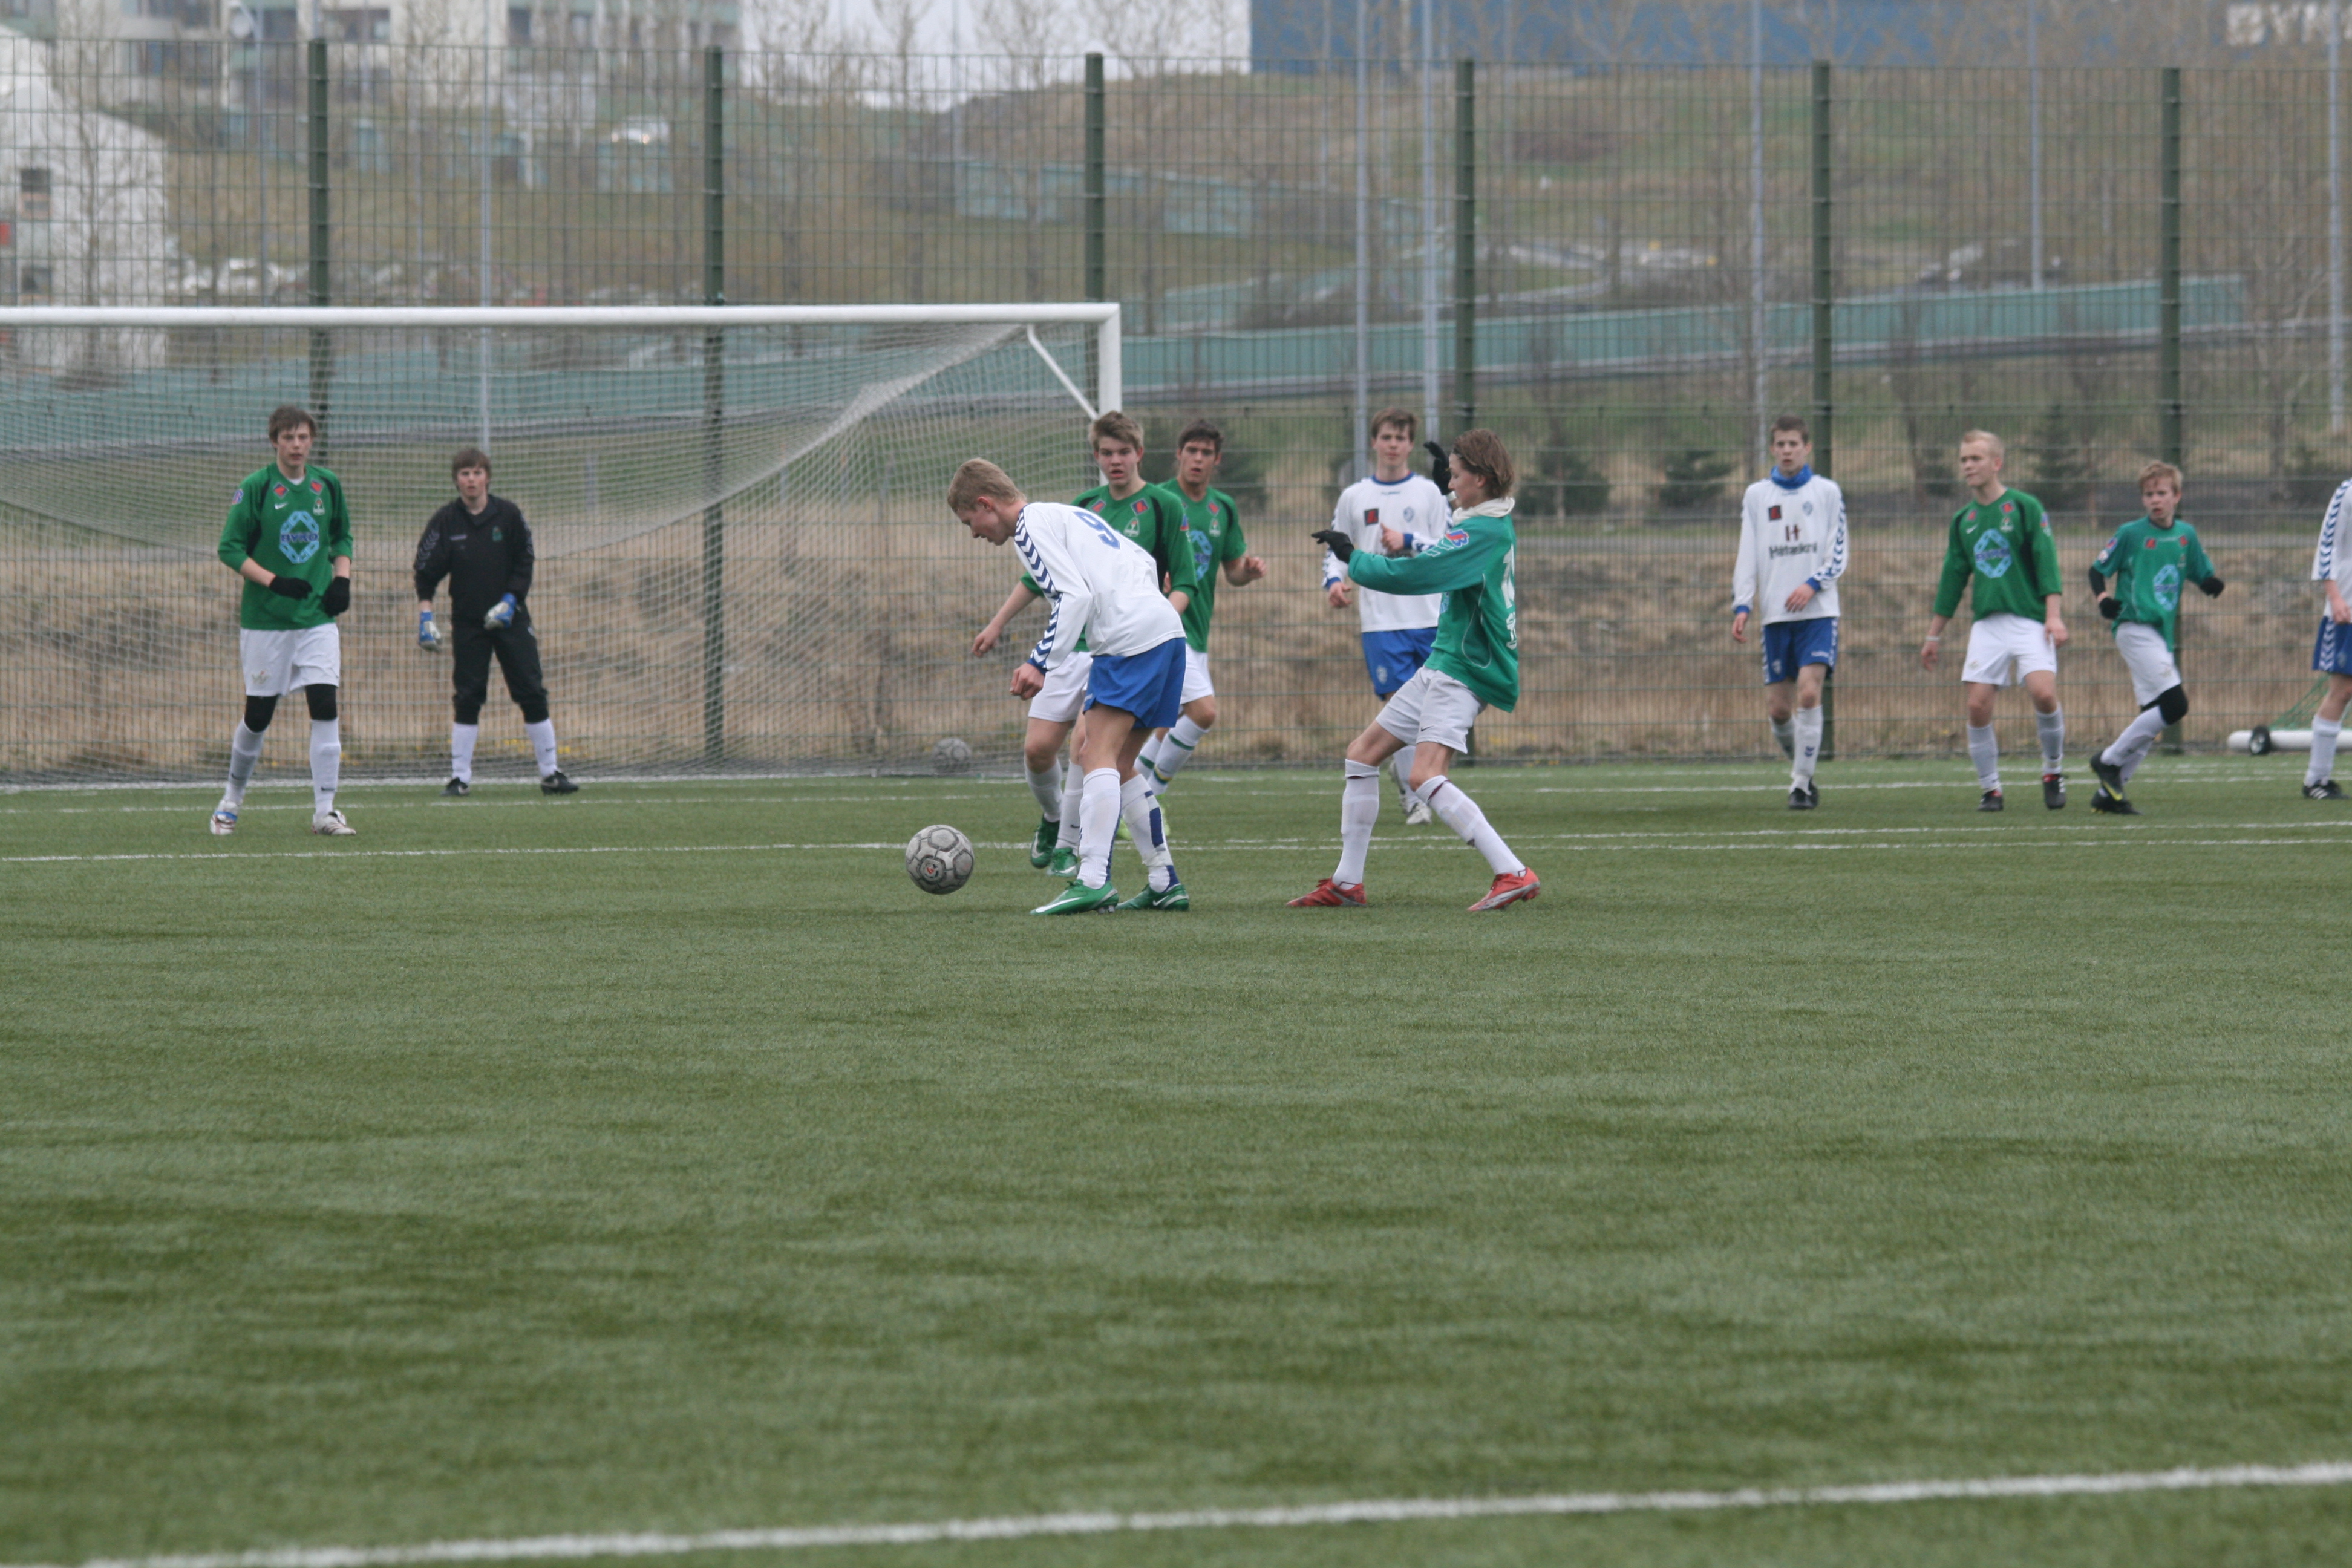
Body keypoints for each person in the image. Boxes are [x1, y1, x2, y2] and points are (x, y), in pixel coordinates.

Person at [1294, 428, 1540, 912]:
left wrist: (1353, 558)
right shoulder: (1486, 520)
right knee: (1362, 755)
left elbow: (1416, 573)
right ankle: (1347, 883)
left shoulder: (1482, 533)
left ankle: (1512, 872)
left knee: (1424, 775)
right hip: (1445, 661)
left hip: (1465, 669)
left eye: (1457, 475)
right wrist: (1451, 493)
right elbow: (1456, 534)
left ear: (1482, 480)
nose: (1450, 482)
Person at [952, 459, 1191, 914]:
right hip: (1166, 631)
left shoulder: (1029, 527)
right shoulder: (1067, 514)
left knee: (1093, 753)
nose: (974, 534)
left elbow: (1074, 595)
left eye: (970, 522)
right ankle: (1164, 881)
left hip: (1129, 640)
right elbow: (1141, 560)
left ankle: (1092, 879)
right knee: (1119, 763)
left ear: (986, 504)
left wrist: (1039, 662)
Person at [209, 404, 356, 838]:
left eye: (303, 437)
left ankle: (325, 811)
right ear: (274, 440)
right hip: (266, 621)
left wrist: (342, 579)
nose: (296, 445)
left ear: (312, 440)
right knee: (259, 715)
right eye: (288, 437)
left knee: (325, 705)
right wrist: (274, 581)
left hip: (316, 619)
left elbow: (342, 536)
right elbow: (229, 548)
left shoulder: (327, 485)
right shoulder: (255, 488)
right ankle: (231, 801)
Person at [413, 448, 577, 796]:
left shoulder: (509, 515)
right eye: (465, 474)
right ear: (456, 480)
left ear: (487, 477)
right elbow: (425, 570)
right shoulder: (446, 521)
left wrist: (510, 600)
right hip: (468, 622)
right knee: (468, 696)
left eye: (477, 473)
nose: (471, 480)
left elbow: (525, 560)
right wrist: (426, 614)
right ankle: (460, 778)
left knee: (531, 690)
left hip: (511, 619)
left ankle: (551, 773)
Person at [1921, 430, 2069, 811]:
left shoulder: (2024, 507)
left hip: (2029, 620)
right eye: (1964, 460)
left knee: (2044, 694)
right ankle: (1991, 789)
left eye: (1976, 459)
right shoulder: (1964, 521)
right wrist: (1934, 636)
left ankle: (2053, 771)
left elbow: (2047, 563)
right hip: (1988, 624)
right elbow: (1952, 579)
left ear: (1996, 463)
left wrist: (2053, 616)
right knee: (1977, 706)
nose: (1968, 466)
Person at [1324, 408, 1452, 823]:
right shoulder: (1355, 496)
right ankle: (1416, 797)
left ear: (1410, 445)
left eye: (1400, 438)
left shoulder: (1429, 493)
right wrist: (1334, 581)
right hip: (1382, 622)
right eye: (1386, 437)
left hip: (1430, 617)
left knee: (1433, 710)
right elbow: (1338, 547)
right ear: (1374, 442)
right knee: (1402, 708)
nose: (1393, 445)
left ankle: (1420, 779)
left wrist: (1410, 540)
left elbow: (1450, 547)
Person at [2084, 462, 2223, 815]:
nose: (2155, 500)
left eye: (2162, 493)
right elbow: (2097, 570)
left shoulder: (2185, 535)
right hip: (2133, 627)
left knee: (2152, 716)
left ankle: (2109, 795)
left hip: (2160, 635)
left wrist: (2210, 584)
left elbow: (2198, 570)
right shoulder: (2131, 533)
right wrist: (2103, 600)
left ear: (2177, 496)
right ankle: (2109, 760)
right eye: (2149, 494)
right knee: (2176, 705)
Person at [1137, 419, 1267, 795]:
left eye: (1206, 453)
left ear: (1217, 459)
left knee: (1167, 722)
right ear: (1179, 454)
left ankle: (1134, 799)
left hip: (1196, 629)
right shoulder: (1158, 499)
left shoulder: (1222, 508)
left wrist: (1248, 572)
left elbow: (1233, 571)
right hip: (1160, 626)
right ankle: (1147, 796)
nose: (1197, 459)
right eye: (1191, 451)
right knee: (1201, 713)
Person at [1731, 414, 1848, 810]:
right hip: (1776, 617)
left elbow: (1838, 551)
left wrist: (1812, 584)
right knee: (1779, 711)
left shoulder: (1827, 492)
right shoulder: (1757, 496)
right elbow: (1748, 552)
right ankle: (1805, 773)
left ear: (1807, 447)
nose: (1786, 451)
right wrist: (1743, 603)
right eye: (1780, 444)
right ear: (1772, 448)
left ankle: (1799, 786)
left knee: (1810, 694)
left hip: (1818, 612)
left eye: (1793, 444)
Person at [2302, 474, 2352, 799]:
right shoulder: (2348, 492)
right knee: (2343, 690)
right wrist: (2334, 597)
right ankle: (2316, 780)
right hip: (2348, 607)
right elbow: (2328, 545)